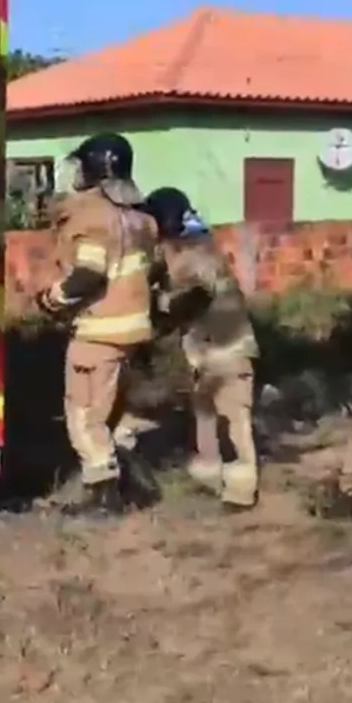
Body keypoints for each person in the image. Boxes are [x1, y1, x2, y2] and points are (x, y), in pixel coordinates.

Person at [35, 131, 159, 514]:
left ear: (94, 168)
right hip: (133, 332)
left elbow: (89, 273)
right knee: (111, 411)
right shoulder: (141, 219)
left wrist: (52, 299)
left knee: (84, 415)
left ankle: (103, 496)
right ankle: (137, 485)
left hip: (98, 332)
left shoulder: (92, 216)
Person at [143, 186, 259, 510]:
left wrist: (161, 310)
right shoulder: (182, 248)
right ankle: (210, 479)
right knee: (206, 417)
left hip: (229, 351)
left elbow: (196, 291)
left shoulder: (196, 252)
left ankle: (241, 493)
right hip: (205, 354)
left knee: (234, 420)